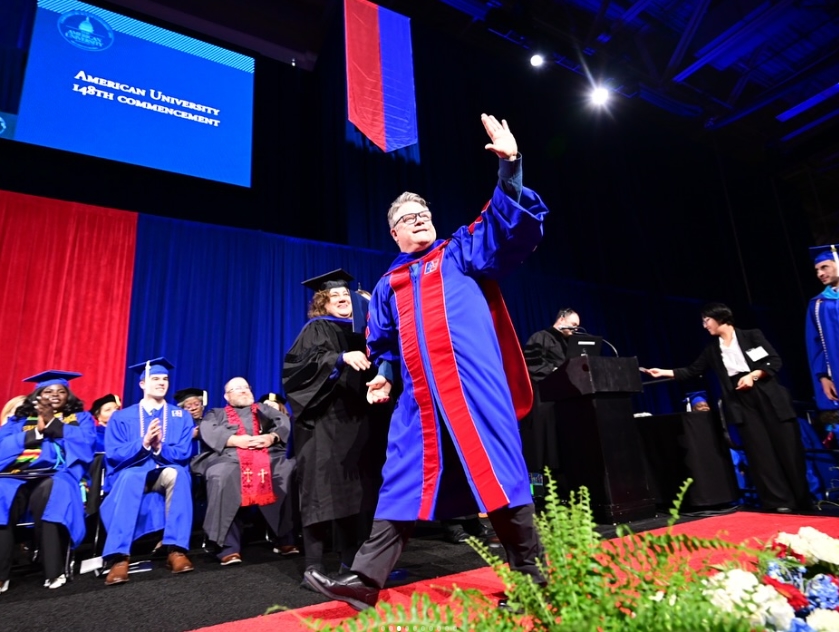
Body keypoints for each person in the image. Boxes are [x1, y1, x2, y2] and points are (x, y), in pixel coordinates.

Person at [304, 114, 548, 611]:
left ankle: (533, 581)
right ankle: (365, 580)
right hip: (420, 399)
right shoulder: (389, 285)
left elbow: (506, 223)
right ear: (393, 232)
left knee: (499, 474)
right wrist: (383, 379)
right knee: (402, 481)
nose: (419, 218)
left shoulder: (459, 252)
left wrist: (510, 166)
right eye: (408, 217)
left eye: (423, 212)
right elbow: (385, 345)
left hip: (473, 386)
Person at [645, 303, 811, 512]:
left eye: (706, 320)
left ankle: (803, 501)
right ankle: (779, 503)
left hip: (768, 395)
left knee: (788, 449)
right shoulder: (712, 350)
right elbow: (692, 370)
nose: (705, 326)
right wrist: (664, 372)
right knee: (761, 454)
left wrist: (753, 375)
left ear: (719, 317)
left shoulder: (751, 336)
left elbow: (774, 362)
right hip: (740, 400)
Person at [283, 269, 381, 587]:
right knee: (321, 493)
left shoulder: (365, 331)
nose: (341, 299)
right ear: (323, 304)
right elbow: (296, 370)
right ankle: (312, 567)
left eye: (345, 295)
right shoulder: (317, 328)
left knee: (356, 494)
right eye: (333, 297)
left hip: (358, 422)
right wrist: (338, 358)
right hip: (324, 425)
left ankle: (352, 564)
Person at [100, 357, 196, 585]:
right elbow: (113, 454)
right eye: (155, 379)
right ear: (142, 384)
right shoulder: (121, 417)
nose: (161, 383)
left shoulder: (181, 416)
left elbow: (183, 452)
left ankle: (175, 549)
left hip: (164, 468)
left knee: (179, 474)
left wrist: (161, 447)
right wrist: (143, 444)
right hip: (133, 470)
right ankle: (120, 557)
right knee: (131, 477)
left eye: (165, 379)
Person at [0, 371, 95, 593]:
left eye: (61, 391)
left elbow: (86, 444)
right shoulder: (18, 421)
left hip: (58, 475)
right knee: (0, 494)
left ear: (68, 396)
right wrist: (34, 432)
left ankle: (54, 570)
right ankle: (1, 575)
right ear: (37, 396)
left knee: (52, 492)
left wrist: (53, 424)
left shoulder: (80, 418)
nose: (55, 395)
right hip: (17, 476)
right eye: (48, 391)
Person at [191, 377, 295, 564]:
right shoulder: (216, 413)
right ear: (226, 396)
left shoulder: (265, 409)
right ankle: (228, 546)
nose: (243, 391)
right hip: (229, 456)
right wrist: (235, 440)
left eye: (246, 387)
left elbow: (282, 421)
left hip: (267, 453)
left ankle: (284, 538)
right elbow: (208, 430)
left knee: (286, 470)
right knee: (221, 475)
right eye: (237, 388)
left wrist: (272, 437)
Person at [519, 308, 580, 485]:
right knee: (538, 451)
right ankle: (537, 493)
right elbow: (533, 364)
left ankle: (563, 491)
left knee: (559, 451)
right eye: (574, 325)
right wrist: (556, 372)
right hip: (542, 404)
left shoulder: (571, 344)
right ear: (562, 318)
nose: (576, 329)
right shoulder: (540, 337)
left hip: (562, 404)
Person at [806, 245, 839, 412]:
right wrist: (823, 377)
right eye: (817, 270)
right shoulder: (819, 304)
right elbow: (816, 344)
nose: (820, 274)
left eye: (824, 267)